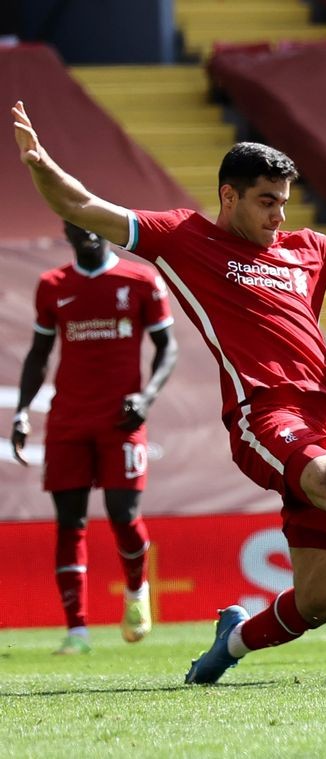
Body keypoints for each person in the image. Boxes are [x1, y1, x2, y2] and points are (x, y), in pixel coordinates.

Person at [13, 100, 326, 683]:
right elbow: (84, 206)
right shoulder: (184, 238)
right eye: (266, 202)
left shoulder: (306, 249)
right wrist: (40, 164)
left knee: (320, 601)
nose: (277, 217)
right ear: (228, 196)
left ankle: (226, 647)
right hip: (261, 413)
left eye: (284, 203)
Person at [12, 221, 178, 655]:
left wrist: (146, 397)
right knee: (70, 522)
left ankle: (136, 590)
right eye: (75, 224)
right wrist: (22, 412)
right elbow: (38, 353)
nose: (85, 231)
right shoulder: (53, 285)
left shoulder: (140, 279)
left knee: (123, 513)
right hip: (68, 423)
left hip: (121, 420)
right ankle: (77, 631)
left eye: (92, 223)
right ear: (64, 230)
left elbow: (168, 347)